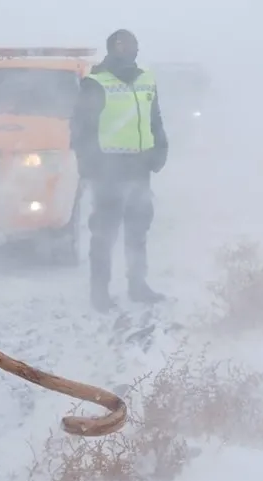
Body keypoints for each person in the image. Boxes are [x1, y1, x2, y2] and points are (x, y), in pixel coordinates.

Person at [70, 29, 170, 312]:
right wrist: (88, 166)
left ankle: (138, 285)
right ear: (111, 48)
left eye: (131, 45)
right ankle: (99, 292)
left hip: (139, 167)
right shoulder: (95, 82)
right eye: (120, 45)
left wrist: (161, 148)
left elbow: (155, 119)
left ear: (137, 49)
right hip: (107, 169)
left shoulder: (146, 79)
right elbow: (80, 128)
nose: (126, 50)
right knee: (104, 232)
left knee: (138, 229)